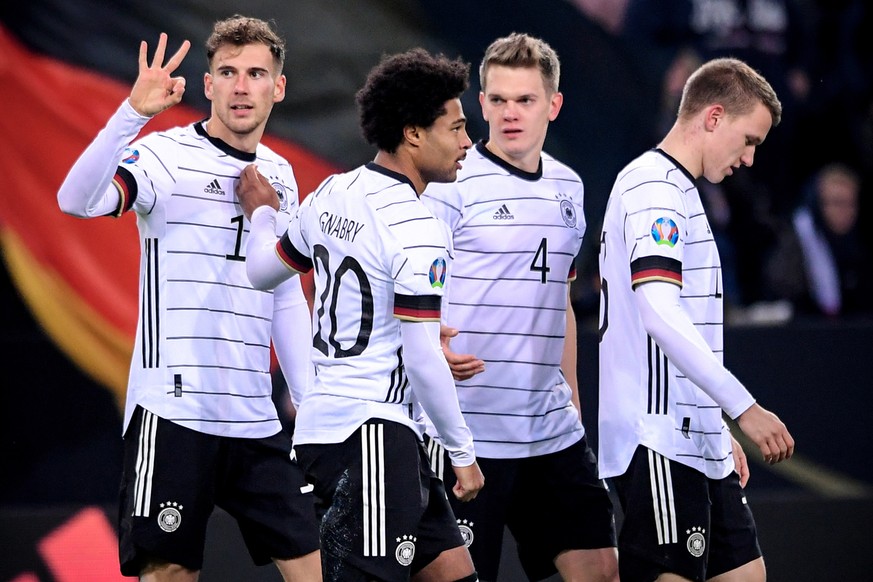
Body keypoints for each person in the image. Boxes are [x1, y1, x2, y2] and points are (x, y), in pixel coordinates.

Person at [56, 16, 321, 580]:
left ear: (278, 87)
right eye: (227, 72)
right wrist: (132, 114)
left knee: (316, 566)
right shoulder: (163, 156)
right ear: (208, 84)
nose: (241, 86)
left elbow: (286, 296)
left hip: (255, 419)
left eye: (255, 73)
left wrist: (311, 403)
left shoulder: (280, 174)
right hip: (174, 413)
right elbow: (74, 201)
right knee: (169, 574)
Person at [239, 48, 485, 582]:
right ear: (414, 133)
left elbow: (263, 271)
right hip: (372, 439)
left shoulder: (333, 191)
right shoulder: (418, 227)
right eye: (458, 127)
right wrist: (461, 450)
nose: (468, 142)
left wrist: (262, 213)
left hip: (348, 435)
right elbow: (420, 357)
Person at [420, 33, 618, 582]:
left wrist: (573, 396)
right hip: (469, 434)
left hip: (551, 434)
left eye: (525, 100)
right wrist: (430, 343)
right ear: (481, 104)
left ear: (552, 105)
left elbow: (559, 299)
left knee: (602, 571)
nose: (510, 113)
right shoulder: (449, 186)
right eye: (499, 100)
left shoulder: (570, 187)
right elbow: (410, 289)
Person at [597, 57, 796, 582]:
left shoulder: (678, 190)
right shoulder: (653, 188)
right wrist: (743, 408)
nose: (750, 158)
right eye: (748, 139)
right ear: (712, 117)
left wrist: (713, 422)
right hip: (657, 437)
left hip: (693, 434)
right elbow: (660, 312)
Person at [764, 161, 873, 318]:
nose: (845, 212)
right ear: (818, 204)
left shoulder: (861, 245)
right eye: (837, 203)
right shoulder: (795, 240)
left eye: (851, 204)